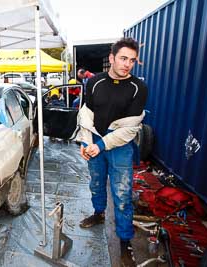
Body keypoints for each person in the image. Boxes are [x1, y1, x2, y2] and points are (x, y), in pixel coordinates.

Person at [76, 37, 148, 267]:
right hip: (95, 138)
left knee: (123, 194)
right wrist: (85, 143)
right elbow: (86, 115)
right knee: (96, 182)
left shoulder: (139, 87)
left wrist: (102, 145)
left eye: (132, 60)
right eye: (123, 58)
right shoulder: (94, 82)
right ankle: (99, 213)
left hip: (119, 146)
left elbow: (129, 129)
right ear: (112, 58)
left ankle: (124, 242)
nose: (127, 64)